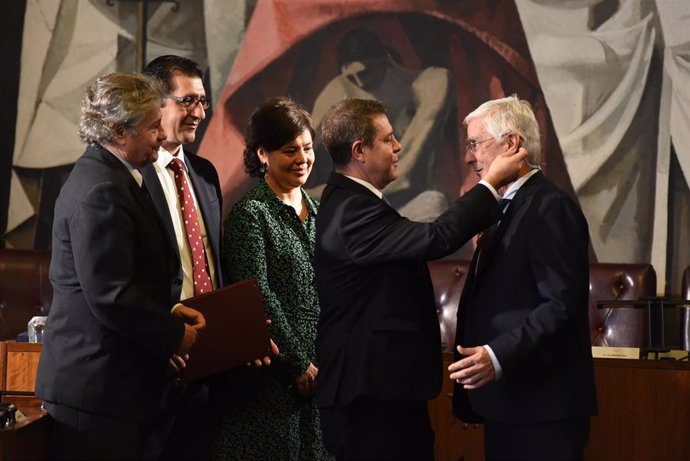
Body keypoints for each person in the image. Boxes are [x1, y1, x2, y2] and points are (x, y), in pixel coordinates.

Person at [313, 98, 525, 460]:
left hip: (385, 392)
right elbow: (435, 238)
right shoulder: (350, 210)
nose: (398, 147)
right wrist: (490, 183)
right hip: (369, 399)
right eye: (388, 139)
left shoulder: (355, 203)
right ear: (359, 151)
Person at [35, 72, 206, 460]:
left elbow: (131, 275)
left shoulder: (116, 176)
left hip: (115, 391)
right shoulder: (101, 189)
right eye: (151, 128)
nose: (161, 137)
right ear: (117, 130)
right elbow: (111, 295)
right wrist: (173, 333)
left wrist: (171, 309)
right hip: (96, 394)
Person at [449, 95, 597, 460]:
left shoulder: (550, 205)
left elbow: (561, 305)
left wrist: (496, 356)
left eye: (475, 144)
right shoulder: (506, 206)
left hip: (542, 409)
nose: (469, 157)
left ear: (512, 143)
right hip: (510, 404)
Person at [212, 97, 330, 460]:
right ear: (262, 154)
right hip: (271, 380)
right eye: (289, 150)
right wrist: (298, 364)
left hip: (322, 374)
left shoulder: (321, 211)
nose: (302, 159)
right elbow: (257, 294)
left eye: (307, 149)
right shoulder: (251, 214)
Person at [141, 55, 223, 460]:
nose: (199, 113)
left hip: (210, 364)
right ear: (156, 102)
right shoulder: (132, 177)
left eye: (203, 102)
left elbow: (213, 264)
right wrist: (164, 337)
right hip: (154, 362)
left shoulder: (206, 174)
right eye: (188, 101)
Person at [308, 27, 452, 220]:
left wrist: (312, 194)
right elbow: (302, 146)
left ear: (385, 60)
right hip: (358, 207)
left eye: (365, 72)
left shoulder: (427, 84)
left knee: (433, 205)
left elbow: (404, 175)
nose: (359, 82)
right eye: (351, 77)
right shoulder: (339, 90)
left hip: (410, 202)